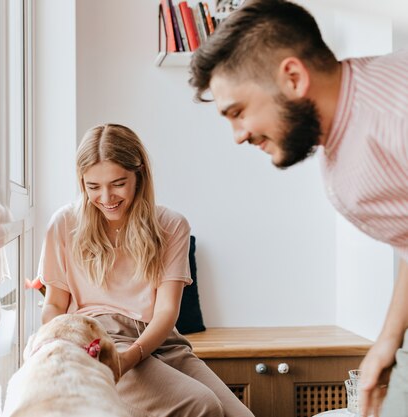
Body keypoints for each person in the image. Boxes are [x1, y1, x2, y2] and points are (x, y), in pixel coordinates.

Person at [188, 1, 408, 416]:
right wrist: (387, 341)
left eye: (237, 112)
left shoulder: (395, 111)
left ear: (292, 76)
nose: (238, 135)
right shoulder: (342, 155)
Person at [38, 123, 254, 417]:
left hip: (161, 340)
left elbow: (166, 311)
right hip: (102, 340)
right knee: (201, 406)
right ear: (82, 182)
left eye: (118, 183)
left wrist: (132, 356)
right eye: (93, 187)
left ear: (139, 175)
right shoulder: (64, 224)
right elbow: (53, 303)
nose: (106, 197)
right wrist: (65, 345)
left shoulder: (172, 225)